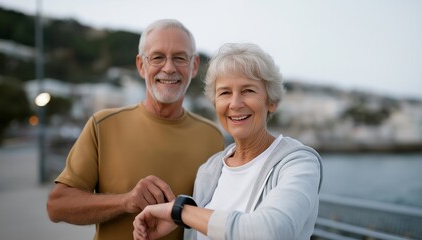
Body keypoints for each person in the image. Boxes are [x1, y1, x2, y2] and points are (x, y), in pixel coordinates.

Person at [46, 19, 225, 240]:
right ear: (141, 65)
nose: (169, 68)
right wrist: (126, 200)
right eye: (157, 57)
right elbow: (57, 205)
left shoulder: (213, 137)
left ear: (194, 66)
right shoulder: (102, 125)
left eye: (179, 58)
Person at [132, 43, 323, 240]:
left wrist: (181, 211)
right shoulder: (209, 170)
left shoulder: (299, 163)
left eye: (248, 90)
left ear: (271, 101)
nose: (235, 103)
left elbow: (271, 232)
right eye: (224, 93)